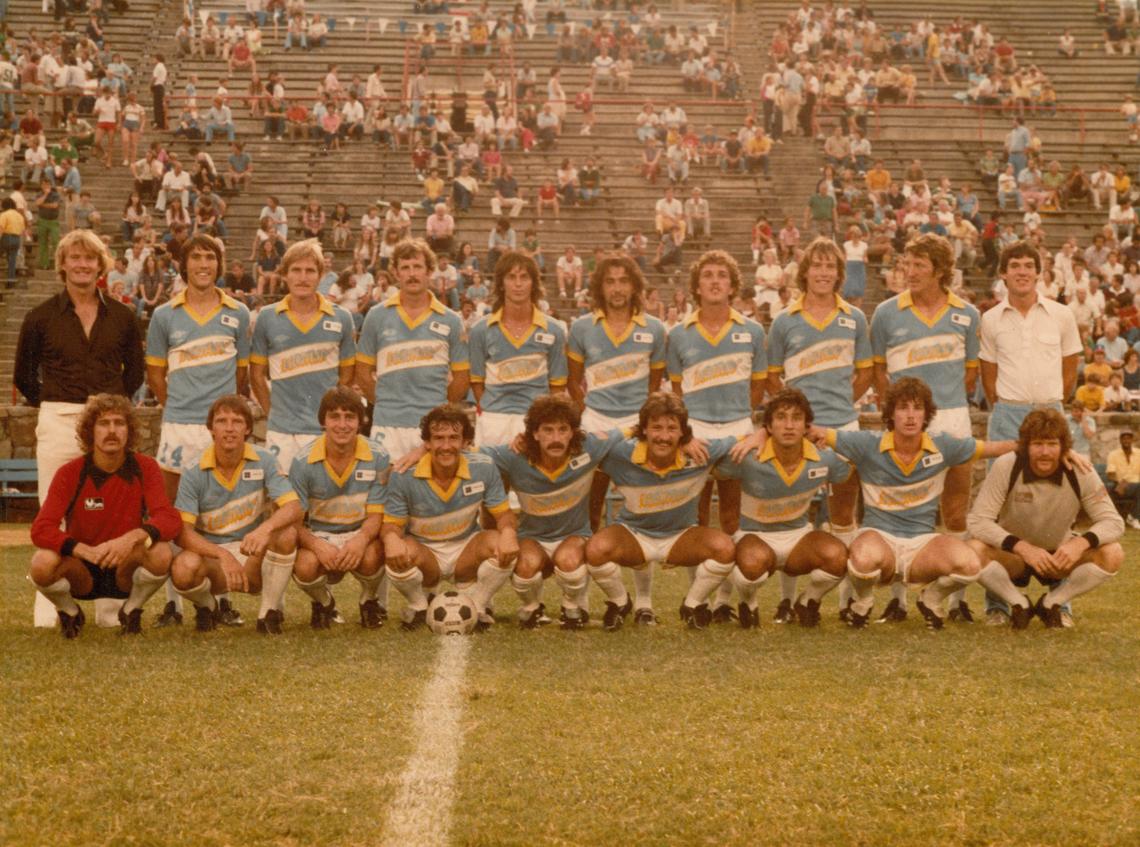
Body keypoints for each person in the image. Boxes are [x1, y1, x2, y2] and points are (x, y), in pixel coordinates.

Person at [14, 230, 145, 628]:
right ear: (63, 264)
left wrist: (108, 408)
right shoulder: (40, 317)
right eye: (75, 257)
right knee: (51, 511)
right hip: (59, 416)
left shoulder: (122, 316)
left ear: (100, 265)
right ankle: (50, 602)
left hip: (108, 418)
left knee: (111, 510)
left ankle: (108, 602)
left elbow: (135, 374)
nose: (83, 265)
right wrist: (59, 401)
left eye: (90, 258)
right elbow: (24, 376)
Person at [822, 377, 1015, 629]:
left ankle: (931, 599)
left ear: (927, 414)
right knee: (862, 559)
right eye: (903, 408)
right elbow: (815, 432)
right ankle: (863, 601)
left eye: (918, 408)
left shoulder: (942, 444)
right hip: (879, 537)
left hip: (922, 543)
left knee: (970, 564)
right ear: (891, 414)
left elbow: (994, 448)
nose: (911, 415)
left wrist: (1038, 445)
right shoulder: (868, 443)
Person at [869, 233, 981, 622]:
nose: (910, 272)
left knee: (955, 509)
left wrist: (941, 407)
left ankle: (956, 600)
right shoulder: (886, 312)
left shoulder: (967, 313)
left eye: (919, 265)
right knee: (904, 509)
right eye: (907, 264)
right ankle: (898, 600)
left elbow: (970, 375)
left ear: (940, 270)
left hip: (952, 417)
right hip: (906, 422)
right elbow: (879, 371)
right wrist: (900, 411)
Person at [145, 233, 251, 626]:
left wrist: (220, 415)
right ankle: (173, 604)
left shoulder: (238, 312)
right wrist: (178, 407)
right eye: (196, 257)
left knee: (216, 512)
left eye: (210, 257)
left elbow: (241, 375)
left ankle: (222, 600)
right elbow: (155, 374)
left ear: (219, 265)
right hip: (179, 426)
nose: (203, 264)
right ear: (184, 264)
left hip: (218, 428)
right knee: (173, 514)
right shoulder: (164, 315)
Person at [764, 237, 873, 622]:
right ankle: (786, 599)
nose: (824, 273)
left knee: (843, 514)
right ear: (805, 272)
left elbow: (865, 375)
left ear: (839, 274)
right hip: (797, 432)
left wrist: (838, 409)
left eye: (831, 266)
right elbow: (772, 377)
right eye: (817, 265)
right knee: (791, 514)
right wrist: (799, 419)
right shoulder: (784, 320)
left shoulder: (854, 318)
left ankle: (846, 600)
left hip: (842, 427)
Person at [585, 392, 759, 630]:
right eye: (656, 427)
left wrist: (761, 433)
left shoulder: (700, 452)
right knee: (595, 549)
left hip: (681, 536)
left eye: (672, 428)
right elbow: (584, 443)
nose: (664, 436)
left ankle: (693, 604)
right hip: (634, 533)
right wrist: (629, 431)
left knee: (725, 548)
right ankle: (620, 602)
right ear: (644, 429)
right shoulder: (621, 453)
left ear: (683, 432)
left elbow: (749, 438)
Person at [979, 240, 1083, 623]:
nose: (1021, 272)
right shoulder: (991, 319)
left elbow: (1070, 368)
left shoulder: (1061, 314)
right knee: (998, 507)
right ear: (1003, 274)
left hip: (1051, 411)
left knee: (1060, 502)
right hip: (1008, 414)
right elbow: (989, 376)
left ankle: (1060, 602)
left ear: (1039, 273)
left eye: (1028, 265)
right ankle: (997, 604)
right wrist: (1009, 407)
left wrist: (1051, 408)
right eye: (1014, 266)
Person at [28, 394, 181, 638]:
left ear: (129, 431)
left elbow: (169, 518)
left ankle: (131, 610)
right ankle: (70, 612)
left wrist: (130, 538)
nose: (112, 431)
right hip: (82, 570)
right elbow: (41, 528)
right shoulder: (70, 472)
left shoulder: (145, 467)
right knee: (41, 562)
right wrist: (81, 550)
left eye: (119, 423)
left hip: (124, 567)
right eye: (103, 423)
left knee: (161, 552)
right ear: (90, 431)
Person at [479, 394, 624, 628]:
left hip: (574, 535)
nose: (556, 438)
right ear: (534, 434)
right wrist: (423, 450)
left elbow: (631, 431)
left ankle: (572, 606)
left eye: (563, 430)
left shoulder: (589, 448)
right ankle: (532, 607)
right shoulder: (514, 455)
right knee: (525, 565)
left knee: (568, 560)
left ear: (573, 432)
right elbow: (467, 453)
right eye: (547, 430)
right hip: (533, 536)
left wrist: (684, 440)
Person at [968, 409, 1123, 628]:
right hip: (1014, 556)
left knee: (1113, 552)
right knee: (974, 549)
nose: (1045, 452)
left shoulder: (1081, 470)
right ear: (1025, 446)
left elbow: (1114, 522)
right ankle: (1018, 604)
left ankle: (1053, 603)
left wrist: (1080, 543)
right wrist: (1022, 548)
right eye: (1037, 444)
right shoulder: (1007, 464)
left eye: (1052, 444)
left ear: (1064, 447)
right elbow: (978, 521)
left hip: (1058, 557)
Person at [719, 388, 851, 628]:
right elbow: (708, 460)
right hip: (755, 535)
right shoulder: (747, 456)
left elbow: (855, 465)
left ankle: (808, 601)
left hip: (798, 537)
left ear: (806, 426)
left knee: (838, 557)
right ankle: (748, 602)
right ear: (769, 426)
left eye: (797, 418)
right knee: (751, 567)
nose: (789, 425)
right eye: (781, 417)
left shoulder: (824, 458)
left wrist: (830, 439)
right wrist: (747, 438)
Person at [170, 395, 303, 634]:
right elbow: (183, 533)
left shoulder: (264, 460)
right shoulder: (193, 470)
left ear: (248, 428)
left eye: (237, 421)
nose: (229, 428)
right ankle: (208, 606)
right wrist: (222, 554)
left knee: (286, 534)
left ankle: (268, 614)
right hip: (214, 558)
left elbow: (293, 506)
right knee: (183, 568)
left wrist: (264, 530)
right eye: (222, 421)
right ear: (211, 429)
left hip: (252, 552)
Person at [382, 404, 518, 630]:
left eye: (454, 438)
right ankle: (419, 606)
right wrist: (390, 539)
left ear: (465, 442)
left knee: (501, 541)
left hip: (466, 549)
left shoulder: (483, 467)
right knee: (395, 547)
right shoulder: (403, 475)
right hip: (426, 553)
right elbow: (391, 526)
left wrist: (509, 532)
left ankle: (478, 605)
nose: (446, 446)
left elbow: (503, 514)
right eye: (438, 438)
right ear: (427, 443)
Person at [568, 253, 667, 546]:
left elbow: (654, 385)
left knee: (644, 507)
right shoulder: (582, 327)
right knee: (590, 507)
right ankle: (587, 569)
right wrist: (589, 413)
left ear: (634, 285)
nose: (617, 288)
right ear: (600, 287)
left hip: (636, 424)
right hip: (595, 423)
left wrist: (642, 420)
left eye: (624, 281)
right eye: (610, 282)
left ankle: (645, 576)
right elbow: (573, 382)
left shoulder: (654, 328)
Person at [667, 249, 766, 540]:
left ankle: (728, 571)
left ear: (732, 286)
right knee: (695, 513)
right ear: (696, 287)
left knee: (732, 513)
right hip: (696, 429)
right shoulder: (678, 334)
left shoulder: (753, 331)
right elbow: (676, 391)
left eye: (722, 276)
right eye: (707, 276)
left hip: (737, 428)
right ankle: (699, 568)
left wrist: (740, 414)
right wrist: (687, 432)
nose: (715, 281)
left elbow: (758, 386)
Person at [355, 239, 470, 461]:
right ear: (396, 273)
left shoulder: (451, 320)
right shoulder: (376, 315)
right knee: (386, 481)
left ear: (429, 271)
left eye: (417, 267)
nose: (412, 274)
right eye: (405, 267)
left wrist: (438, 408)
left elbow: (462, 378)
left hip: (433, 426)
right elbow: (362, 373)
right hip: (387, 424)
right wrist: (387, 403)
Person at [250, 239, 357, 472]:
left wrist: (332, 414)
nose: (302, 277)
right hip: (281, 431)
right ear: (284, 275)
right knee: (283, 492)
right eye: (296, 270)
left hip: (324, 429)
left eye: (310, 271)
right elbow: (256, 376)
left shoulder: (342, 318)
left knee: (323, 494)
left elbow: (347, 376)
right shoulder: (267, 317)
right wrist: (273, 414)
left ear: (320, 276)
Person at [289, 386, 391, 629]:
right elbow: (294, 522)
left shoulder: (379, 456)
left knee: (376, 553)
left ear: (361, 421)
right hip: (320, 534)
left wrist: (361, 540)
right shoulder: (302, 461)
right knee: (305, 565)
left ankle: (369, 599)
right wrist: (317, 545)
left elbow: (376, 514)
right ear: (323, 421)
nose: (342, 425)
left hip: (360, 532)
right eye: (334, 416)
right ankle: (324, 602)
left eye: (350, 417)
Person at [469, 251, 567, 447]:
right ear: (501, 283)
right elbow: (477, 382)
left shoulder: (554, 330)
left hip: (535, 421)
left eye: (524, 277)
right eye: (511, 277)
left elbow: (557, 387)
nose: (518, 284)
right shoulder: (480, 330)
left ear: (534, 283)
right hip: (493, 421)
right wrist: (495, 410)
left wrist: (542, 419)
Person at [1106, 429, 1140, 529]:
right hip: (1119, 487)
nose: (1126, 441)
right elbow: (1110, 473)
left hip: (1136, 486)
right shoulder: (1113, 454)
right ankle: (1132, 517)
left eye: (1128, 438)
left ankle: (1133, 516)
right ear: (1120, 440)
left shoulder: (1139, 453)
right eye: (1124, 438)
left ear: (1132, 440)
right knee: (1108, 488)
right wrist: (1119, 482)